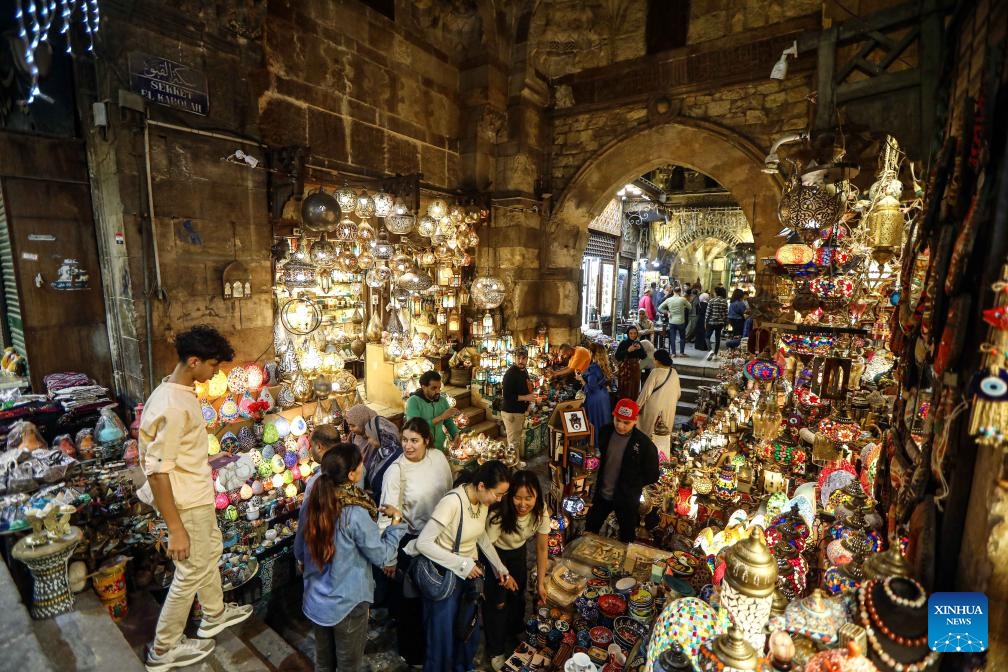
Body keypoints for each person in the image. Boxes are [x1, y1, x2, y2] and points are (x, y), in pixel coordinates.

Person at [139, 325, 252, 671]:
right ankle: (164, 648)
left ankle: (214, 613)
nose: (216, 372)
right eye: (213, 365)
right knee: (190, 571)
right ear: (193, 362)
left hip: (196, 493)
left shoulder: (175, 389)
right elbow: (157, 470)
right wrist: (175, 528)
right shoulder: (174, 405)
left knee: (209, 553)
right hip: (184, 502)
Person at [294, 441, 406, 672]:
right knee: (348, 666)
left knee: (323, 663)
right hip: (347, 604)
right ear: (352, 474)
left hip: (316, 601)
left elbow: (299, 550)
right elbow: (383, 556)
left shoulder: (313, 501)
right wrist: (395, 522)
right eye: (361, 464)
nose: (364, 468)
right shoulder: (354, 513)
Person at [413, 461, 516, 672]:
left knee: (467, 630)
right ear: (480, 486)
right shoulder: (452, 503)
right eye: (497, 494)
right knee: (443, 635)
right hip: (446, 577)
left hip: (468, 575)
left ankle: (462, 667)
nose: (499, 500)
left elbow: (481, 537)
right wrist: (462, 563)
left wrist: (499, 566)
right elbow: (423, 543)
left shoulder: (482, 503)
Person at [378, 417, 453, 668]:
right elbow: (387, 516)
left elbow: (449, 492)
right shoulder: (396, 471)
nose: (408, 446)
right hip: (410, 541)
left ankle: (434, 641)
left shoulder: (438, 459)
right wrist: (389, 556)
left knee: (434, 595)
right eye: (404, 440)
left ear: (427, 441)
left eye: (414, 441)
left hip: (439, 536)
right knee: (410, 601)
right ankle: (412, 651)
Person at [484, 470, 551, 671]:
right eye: (517, 497)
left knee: (517, 595)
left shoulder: (540, 511)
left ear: (537, 496)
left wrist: (540, 583)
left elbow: (541, 548)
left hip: (518, 553)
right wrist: (502, 573)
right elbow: (487, 547)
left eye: (528, 498)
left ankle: (514, 630)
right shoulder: (498, 514)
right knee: (497, 603)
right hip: (494, 554)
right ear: (509, 496)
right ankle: (495, 649)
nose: (523, 504)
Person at [584, 399, 660, 543]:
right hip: (602, 494)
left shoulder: (644, 445)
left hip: (626, 499)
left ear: (635, 420)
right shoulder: (605, 432)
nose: (620, 426)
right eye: (617, 420)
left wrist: (632, 484)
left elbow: (652, 475)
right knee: (590, 528)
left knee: (626, 537)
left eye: (626, 423)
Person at [500, 347, 542, 459]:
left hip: (519, 411)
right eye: (518, 358)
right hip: (511, 412)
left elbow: (526, 388)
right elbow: (507, 396)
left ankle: (516, 463)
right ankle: (514, 467)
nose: (521, 361)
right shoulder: (510, 374)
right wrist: (526, 397)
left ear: (527, 359)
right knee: (513, 442)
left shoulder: (523, 371)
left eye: (523, 358)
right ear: (514, 358)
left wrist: (531, 400)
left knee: (516, 440)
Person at [405, 370, 460, 453]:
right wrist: (441, 417)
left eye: (439, 388)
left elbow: (449, 422)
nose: (438, 391)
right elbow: (415, 427)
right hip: (421, 450)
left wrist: (456, 435)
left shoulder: (442, 401)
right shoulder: (413, 401)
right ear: (424, 387)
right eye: (433, 388)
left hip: (440, 447)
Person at [635, 349, 681, 443]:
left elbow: (645, 393)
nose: (653, 361)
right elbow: (678, 394)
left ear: (658, 361)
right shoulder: (674, 372)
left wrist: (635, 408)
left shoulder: (655, 372)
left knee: (649, 433)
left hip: (654, 408)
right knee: (663, 434)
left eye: (654, 359)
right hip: (669, 409)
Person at [576, 343, 614, 450]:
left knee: (595, 422)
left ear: (592, 353)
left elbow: (591, 387)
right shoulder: (604, 366)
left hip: (595, 398)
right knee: (604, 420)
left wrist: (581, 379)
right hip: (604, 397)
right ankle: (604, 443)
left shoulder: (593, 368)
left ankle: (596, 445)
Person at [362, 415, 403, 500]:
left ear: (380, 435)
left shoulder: (397, 456)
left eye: (370, 437)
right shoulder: (380, 450)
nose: (368, 441)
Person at [614, 325, 646, 400]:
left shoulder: (638, 343)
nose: (633, 335)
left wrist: (640, 349)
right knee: (624, 389)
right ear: (628, 334)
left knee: (634, 389)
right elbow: (617, 356)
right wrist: (628, 351)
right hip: (625, 370)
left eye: (635, 333)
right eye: (631, 333)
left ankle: (632, 408)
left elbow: (643, 356)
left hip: (635, 370)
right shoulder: (623, 343)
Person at [657, 286, 691, 356]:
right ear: (680, 291)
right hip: (681, 321)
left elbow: (659, 308)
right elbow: (690, 307)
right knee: (682, 337)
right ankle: (681, 353)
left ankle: (673, 353)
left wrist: (667, 312)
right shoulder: (682, 299)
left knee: (672, 337)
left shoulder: (669, 299)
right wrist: (683, 306)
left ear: (673, 291)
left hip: (672, 321)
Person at [706, 286, 729, 360]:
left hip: (711, 322)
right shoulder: (724, 301)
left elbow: (708, 313)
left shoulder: (711, 300)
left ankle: (710, 350)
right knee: (717, 338)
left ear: (716, 292)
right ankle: (715, 354)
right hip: (720, 323)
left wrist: (705, 321)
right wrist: (725, 322)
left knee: (707, 337)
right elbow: (726, 314)